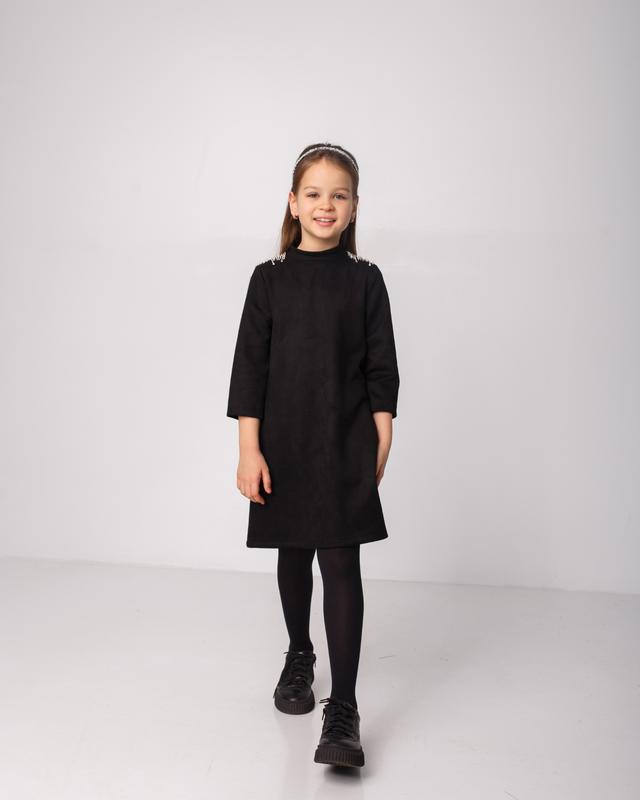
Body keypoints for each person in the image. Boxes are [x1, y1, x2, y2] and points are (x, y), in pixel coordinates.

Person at [226, 142, 400, 769]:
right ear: (293, 203)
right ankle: (300, 652)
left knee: (342, 561)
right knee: (294, 550)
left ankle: (344, 709)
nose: (327, 205)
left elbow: (381, 364)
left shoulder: (365, 279)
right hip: (284, 442)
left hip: (346, 438)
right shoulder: (268, 279)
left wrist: (382, 432)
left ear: (354, 207)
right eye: (315, 193)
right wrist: (249, 449)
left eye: (339, 195)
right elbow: (250, 369)